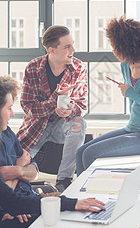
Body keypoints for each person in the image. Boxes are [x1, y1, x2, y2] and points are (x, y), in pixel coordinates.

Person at [0, 76, 104, 228]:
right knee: (40, 227)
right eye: (8, 108)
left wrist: (2, 214)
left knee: (40, 225)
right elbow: (9, 199)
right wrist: (71, 203)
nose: (12, 114)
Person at [76, 16, 140, 176]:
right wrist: (130, 92)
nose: (113, 50)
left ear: (125, 46)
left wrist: (132, 93)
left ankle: (86, 196)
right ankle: (77, 200)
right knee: (81, 152)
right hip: (132, 128)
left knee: (90, 154)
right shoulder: (125, 66)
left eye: (114, 46)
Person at [17, 25, 88, 192]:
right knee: (17, 161)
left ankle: (64, 179)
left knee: (79, 123)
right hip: (36, 127)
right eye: (67, 47)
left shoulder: (78, 68)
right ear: (52, 50)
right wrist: (53, 104)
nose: (73, 50)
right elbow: (27, 107)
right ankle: (23, 185)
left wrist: (70, 110)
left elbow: (82, 105)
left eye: (73, 44)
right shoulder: (33, 68)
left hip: (62, 127)